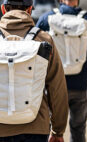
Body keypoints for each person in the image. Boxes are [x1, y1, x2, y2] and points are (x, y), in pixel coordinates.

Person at [0, 0, 68, 142]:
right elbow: (57, 88)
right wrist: (58, 130)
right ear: (30, 9)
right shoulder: (43, 39)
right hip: (35, 126)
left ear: (3, 9)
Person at [36, 0, 87, 142]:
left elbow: (36, 53)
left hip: (53, 86)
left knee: (48, 128)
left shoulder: (45, 19)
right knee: (78, 128)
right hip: (80, 84)